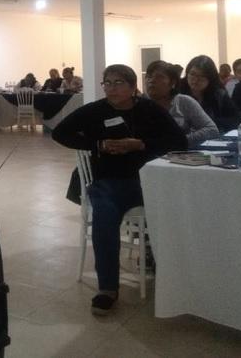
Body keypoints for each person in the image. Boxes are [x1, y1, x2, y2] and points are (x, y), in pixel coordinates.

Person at [52, 64, 186, 316]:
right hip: (108, 182)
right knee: (104, 216)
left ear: (133, 87)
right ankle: (107, 287)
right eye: (107, 83)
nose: (111, 88)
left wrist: (140, 144)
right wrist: (97, 145)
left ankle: (174, 272)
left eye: (118, 83)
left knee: (179, 207)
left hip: (147, 180)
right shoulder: (94, 110)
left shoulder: (149, 109)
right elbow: (60, 133)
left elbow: (179, 141)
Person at [145, 61, 218, 148]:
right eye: (149, 76)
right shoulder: (138, 104)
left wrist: (181, 140)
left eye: (159, 77)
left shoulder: (184, 102)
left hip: (178, 153)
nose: (152, 81)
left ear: (172, 83)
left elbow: (212, 130)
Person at [178, 55, 241, 132]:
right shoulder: (177, 92)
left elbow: (236, 119)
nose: (196, 80)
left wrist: (208, 122)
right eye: (192, 74)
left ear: (211, 78)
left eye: (202, 76)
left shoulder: (218, 94)